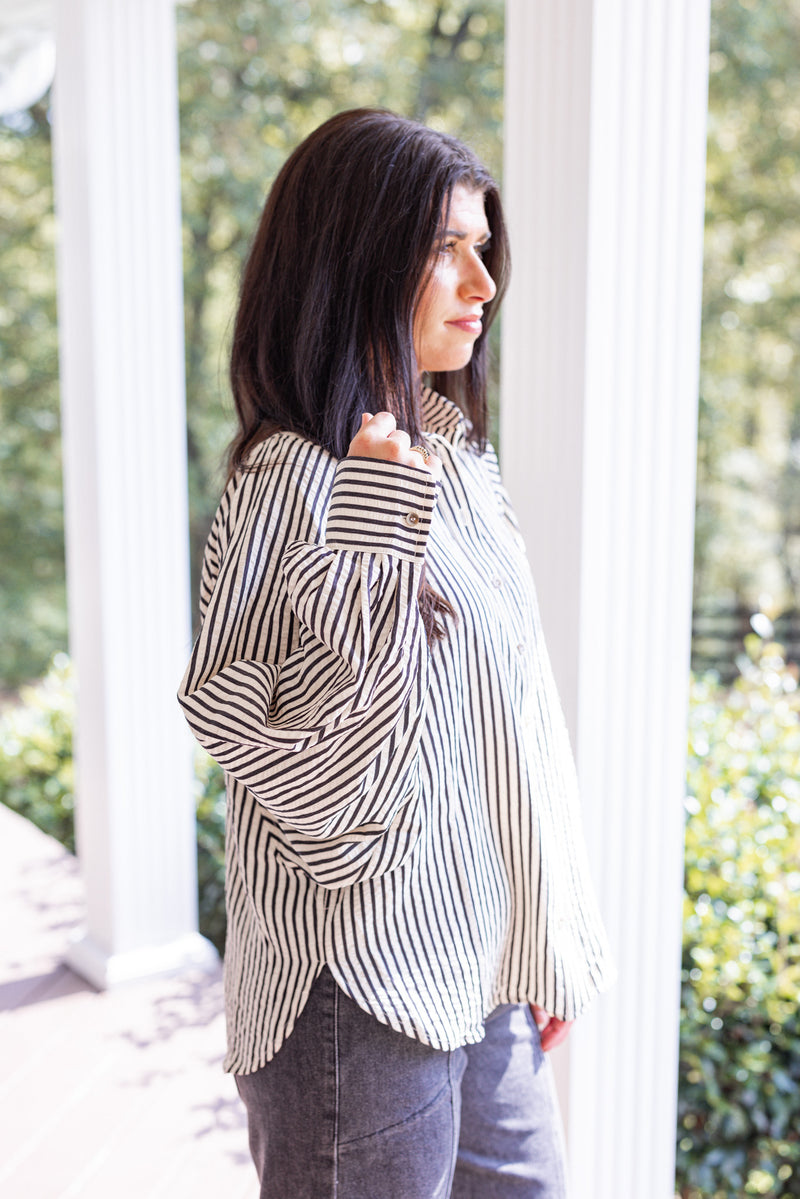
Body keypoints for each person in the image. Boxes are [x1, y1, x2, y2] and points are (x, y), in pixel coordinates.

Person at [178, 107, 614, 1199]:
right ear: (355, 259)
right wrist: (375, 522)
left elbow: (505, 720)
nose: (482, 283)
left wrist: (534, 930)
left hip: (475, 973)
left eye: (482, 247)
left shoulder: (454, 462)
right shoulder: (291, 478)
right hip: (354, 994)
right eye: (443, 248)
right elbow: (326, 787)